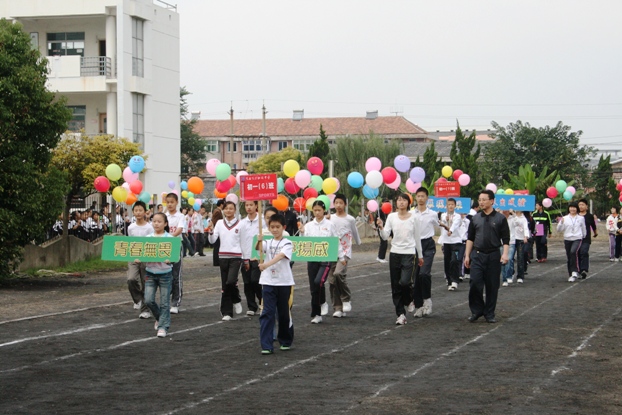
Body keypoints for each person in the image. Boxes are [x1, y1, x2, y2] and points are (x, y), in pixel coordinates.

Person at [464, 190, 510, 324]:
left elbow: (505, 239)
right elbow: (470, 238)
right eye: (480, 200)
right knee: (475, 283)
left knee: (492, 286)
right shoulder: (475, 218)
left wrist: (505, 254)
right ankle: (476, 310)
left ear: (492, 201)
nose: (481, 202)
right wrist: (467, 255)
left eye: (484, 199)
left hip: (494, 255)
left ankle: (489, 313)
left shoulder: (500, 218)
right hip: (477, 255)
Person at [377, 193, 423, 325]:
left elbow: (417, 238)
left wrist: (420, 255)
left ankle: (409, 300)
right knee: (395, 285)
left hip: (409, 253)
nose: (401, 202)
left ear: (408, 203)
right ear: (396, 203)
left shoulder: (414, 218)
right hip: (395, 253)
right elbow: (386, 236)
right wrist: (381, 227)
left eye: (404, 200)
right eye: (399, 200)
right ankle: (400, 314)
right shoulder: (391, 217)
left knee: (405, 281)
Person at [257, 213, 295, 355]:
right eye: (272, 227)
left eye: (277, 227)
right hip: (267, 281)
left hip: (284, 282)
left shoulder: (287, 243)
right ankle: (266, 344)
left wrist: (266, 265)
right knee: (267, 312)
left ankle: (285, 339)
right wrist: (258, 241)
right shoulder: (267, 242)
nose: (274, 230)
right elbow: (259, 249)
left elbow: (280, 257)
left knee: (283, 312)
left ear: (283, 227)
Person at [299, 200, 336, 324]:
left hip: (325, 259)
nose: (317, 212)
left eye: (319, 210)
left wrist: (340, 256)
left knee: (318, 281)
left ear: (324, 210)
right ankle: (317, 313)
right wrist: (302, 232)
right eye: (315, 210)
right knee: (313, 287)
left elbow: (335, 240)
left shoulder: (330, 225)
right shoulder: (309, 225)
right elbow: (303, 242)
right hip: (312, 259)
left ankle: (323, 302)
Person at [208, 201, 244, 321]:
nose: (228, 211)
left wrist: (245, 258)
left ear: (235, 210)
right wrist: (211, 231)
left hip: (236, 257)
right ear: (223, 210)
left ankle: (236, 299)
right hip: (223, 256)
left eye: (231, 208)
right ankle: (226, 312)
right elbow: (213, 240)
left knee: (230, 281)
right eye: (226, 208)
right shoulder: (219, 223)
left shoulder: (240, 224)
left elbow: (243, 242)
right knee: (225, 285)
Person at [328, 194, 361, 317]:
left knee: (338, 274)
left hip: (345, 251)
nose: (338, 205)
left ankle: (346, 298)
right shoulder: (330, 218)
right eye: (336, 203)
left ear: (345, 204)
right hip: (331, 251)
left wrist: (358, 242)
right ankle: (337, 308)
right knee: (332, 281)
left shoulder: (350, 219)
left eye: (341, 203)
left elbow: (354, 231)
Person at [141, 213, 174, 338]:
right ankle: (160, 318)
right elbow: (142, 253)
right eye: (154, 221)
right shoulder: (148, 238)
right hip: (150, 272)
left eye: (159, 221)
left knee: (165, 302)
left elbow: (175, 257)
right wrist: (139, 258)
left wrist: (170, 260)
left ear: (165, 224)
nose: (156, 224)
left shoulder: (169, 238)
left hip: (165, 274)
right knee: (148, 300)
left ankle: (163, 327)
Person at [412, 187, 439, 317]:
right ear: (415, 197)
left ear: (427, 198)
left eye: (423, 196)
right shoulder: (412, 213)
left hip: (428, 245)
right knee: (415, 277)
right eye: (418, 196)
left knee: (424, 274)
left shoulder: (432, 214)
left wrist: (448, 229)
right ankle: (418, 305)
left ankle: (427, 300)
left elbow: (440, 224)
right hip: (415, 246)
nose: (421, 198)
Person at [126, 201, 154, 319]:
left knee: (145, 282)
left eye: (140, 210)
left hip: (146, 258)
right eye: (136, 210)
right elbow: (129, 242)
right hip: (133, 256)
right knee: (131, 279)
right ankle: (138, 299)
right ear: (133, 212)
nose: (138, 213)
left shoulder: (149, 227)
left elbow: (152, 243)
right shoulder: (131, 227)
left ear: (145, 212)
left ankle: (145, 309)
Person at [240, 200, 262, 316]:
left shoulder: (262, 221)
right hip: (245, 256)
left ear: (256, 206)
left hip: (258, 257)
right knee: (247, 282)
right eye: (246, 205)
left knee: (256, 280)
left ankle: (262, 300)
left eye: (251, 205)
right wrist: (243, 257)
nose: (248, 207)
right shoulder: (242, 223)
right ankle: (251, 306)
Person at [165, 193, 185, 314]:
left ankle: (176, 302)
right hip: (165, 246)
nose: (170, 204)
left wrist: (169, 237)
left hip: (176, 245)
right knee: (166, 275)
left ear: (176, 202)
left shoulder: (180, 216)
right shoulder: (164, 216)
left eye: (172, 202)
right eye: (168, 202)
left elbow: (179, 229)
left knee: (176, 274)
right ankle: (166, 300)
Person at [556, 202, 587, 282]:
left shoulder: (581, 218)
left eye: (574, 207)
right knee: (569, 256)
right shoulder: (565, 218)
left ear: (577, 209)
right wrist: (561, 223)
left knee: (573, 252)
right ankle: (571, 275)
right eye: (571, 207)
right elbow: (559, 230)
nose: (572, 209)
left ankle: (575, 271)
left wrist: (583, 236)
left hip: (577, 238)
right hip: (567, 239)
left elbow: (584, 228)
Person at [438, 198, 463, 291]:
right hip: (446, 241)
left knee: (454, 260)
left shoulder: (457, 216)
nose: (451, 206)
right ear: (446, 206)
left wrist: (451, 230)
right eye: (449, 204)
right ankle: (449, 280)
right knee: (447, 261)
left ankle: (455, 281)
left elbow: (455, 224)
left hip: (456, 241)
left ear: (455, 205)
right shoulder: (444, 215)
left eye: (452, 204)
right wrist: (445, 219)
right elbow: (441, 223)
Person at [578, 198, 597, 278]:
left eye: (582, 205)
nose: (581, 206)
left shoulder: (589, 216)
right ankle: (579, 270)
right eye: (579, 205)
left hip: (586, 238)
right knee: (578, 253)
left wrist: (595, 233)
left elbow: (593, 225)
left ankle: (584, 269)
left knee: (584, 252)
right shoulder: (575, 215)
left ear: (586, 206)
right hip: (577, 238)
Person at [509, 210, 529, 284]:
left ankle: (520, 276)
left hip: (520, 240)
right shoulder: (511, 217)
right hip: (512, 240)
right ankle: (510, 273)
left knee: (520, 257)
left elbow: (525, 227)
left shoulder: (523, 218)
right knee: (510, 258)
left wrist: (525, 236)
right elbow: (513, 224)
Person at [211, 199, 225, 267]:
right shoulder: (217, 211)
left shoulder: (218, 211)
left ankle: (217, 261)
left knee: (217, 246)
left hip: (218, 230)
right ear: (221, 204)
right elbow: (215, 221)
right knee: (217, 246)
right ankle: (216, 261)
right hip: (217, 230)